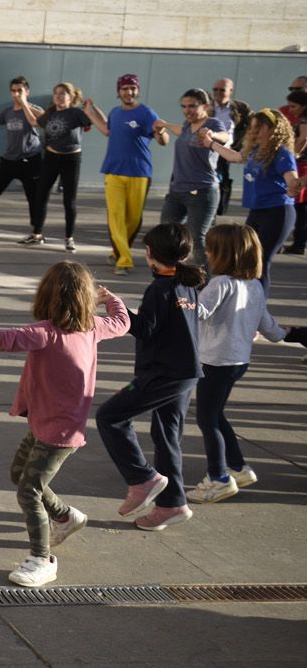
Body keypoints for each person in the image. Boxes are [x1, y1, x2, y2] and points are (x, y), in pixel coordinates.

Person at [0, 264, 130, 586]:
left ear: (46, 297)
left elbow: (4, 339)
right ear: (85, 299)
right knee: (19, 475)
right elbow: (122, 322)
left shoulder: (46, 332)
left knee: (28, 490)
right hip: (46, 424)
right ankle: (65, 516)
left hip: (60, 431)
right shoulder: (93, 325)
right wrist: (111, 299)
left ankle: (42, 559)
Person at [95, 223, 204, 532]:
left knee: (110, 416)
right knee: (167, 435)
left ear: (151, 254)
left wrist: (115, 306)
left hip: (164, 374)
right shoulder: (186, 285)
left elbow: (143, 329)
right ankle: (172, 504)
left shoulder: (159, 289)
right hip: (185, 374)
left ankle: (142, 479)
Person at [188, 224, 294, 504]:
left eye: (211, 249)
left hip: (215, 361)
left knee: (207, 419)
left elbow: (197, 312)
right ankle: (238, 466)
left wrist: (179, 294)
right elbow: (267, 325)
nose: (207, 254)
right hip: (237, 361)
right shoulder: (254, 285)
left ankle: (219, 478)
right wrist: (283, 334)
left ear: (224, 254)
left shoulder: (220, 284)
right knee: (216, 414)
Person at [201, 108, 300, 289]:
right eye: (253, 127)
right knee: (246, 257)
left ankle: (257, 307)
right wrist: (210, 143)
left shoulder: (281, 153)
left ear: (275, 129)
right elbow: (234, 156)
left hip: (278, 211)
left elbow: (291, 179)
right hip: (257, 211)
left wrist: (294, 185)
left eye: (260, 127)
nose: (254, 131)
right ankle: (246, 300)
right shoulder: (256, 150)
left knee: (261, 260)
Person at [82, 74, 168, 273]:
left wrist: (162, 132)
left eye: (132, 88)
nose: (129, 92)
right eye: (125, 89)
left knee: (133, 219)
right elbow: (107, 130)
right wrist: (90, 111)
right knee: (116, 216)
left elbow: (162, 141)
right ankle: (124, 260)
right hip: (113, 171)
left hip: (139, 173)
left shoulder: (147, 113)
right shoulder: (115, 112)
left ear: (137, 90)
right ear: (118, 91)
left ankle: (118, 251)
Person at [154, 88, 227, 268]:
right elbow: (180, 131)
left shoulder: (213, 124)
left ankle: (207, 284)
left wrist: (212, 136)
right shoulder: (187, 125)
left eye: (193, 106)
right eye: (184, 106)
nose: (188, 110)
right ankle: (172, 277)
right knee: (167, 234)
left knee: (197, 239)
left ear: (206, 106)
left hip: (202, 192)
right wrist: (164, 125)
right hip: (177, 191)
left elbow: (225, 137)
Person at [0, 77, 47, 242]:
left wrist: (25, 104)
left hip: (30, 159)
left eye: (20, 90)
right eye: (13, 91)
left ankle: (37, 232)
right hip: (9, 160)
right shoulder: (8, 112)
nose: (16, 94)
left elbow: (44, 121)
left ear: (27, 92)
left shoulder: (34, 109)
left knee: (33, 197)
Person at [32, 83, 93, 252]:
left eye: (63, 93)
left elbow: (89, 123)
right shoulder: (50, 113)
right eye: (56, 93)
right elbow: (36, 122)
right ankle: (37, 234)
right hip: (51, 157)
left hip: (71, 159)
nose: (59, 96)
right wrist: (23, 103)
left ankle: (69, 237)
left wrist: (90, 109)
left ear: (71, 97)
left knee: (69, 200)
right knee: (41, 194)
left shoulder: (76, 112)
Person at [209, 78, 248, 217]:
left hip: (226, 151)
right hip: (208, 148)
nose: (218, 93)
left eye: (222, 90)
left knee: (220, 181)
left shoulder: (240, 108)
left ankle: (216, 210)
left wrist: (241, 145)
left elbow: (251, 125)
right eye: (215, 90)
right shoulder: (207, 106)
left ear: (230, 91)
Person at [281, 88, 307, 254]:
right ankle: (299, 241)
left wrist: (293, 155)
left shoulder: (304, 119)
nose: (291, 110)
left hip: (303, 165)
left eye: (294, 106)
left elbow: (304, 138)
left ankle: (299, 242)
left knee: (299, 206)